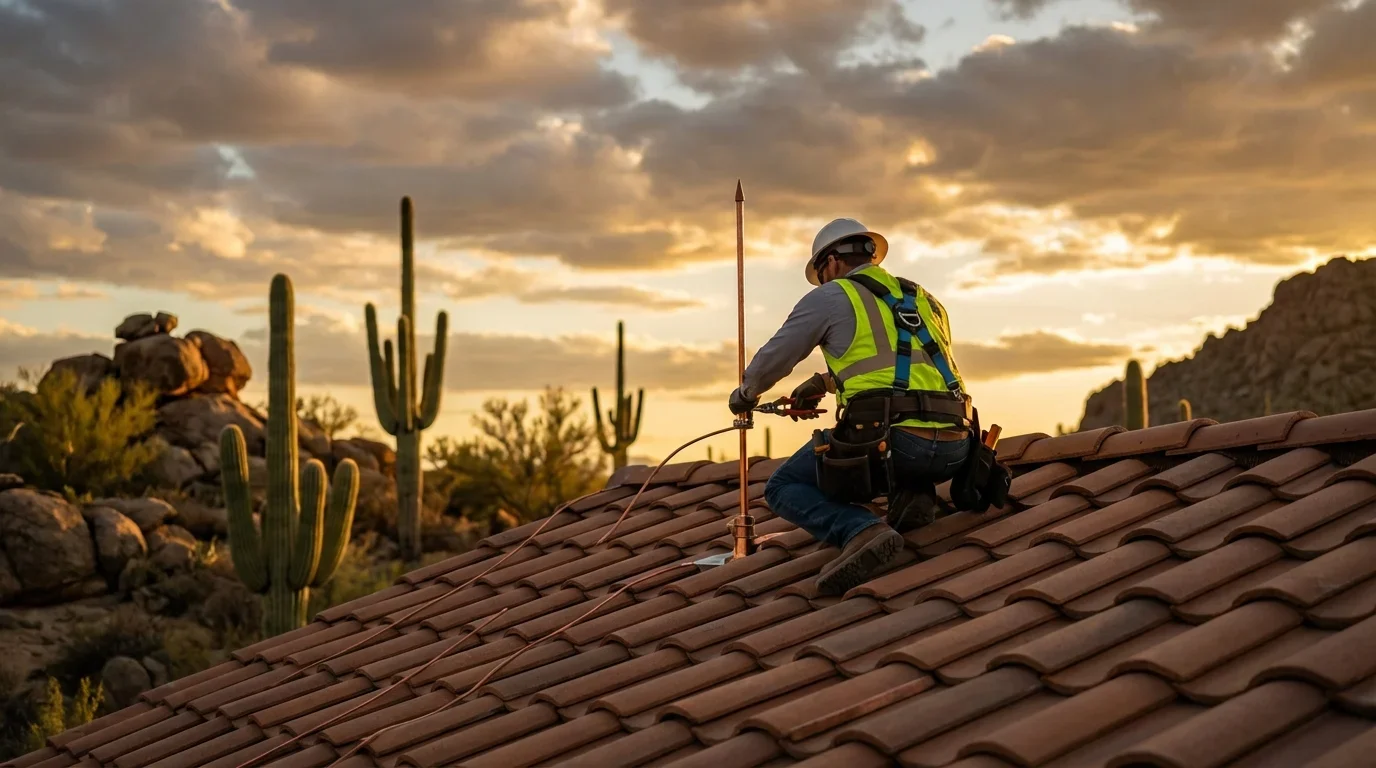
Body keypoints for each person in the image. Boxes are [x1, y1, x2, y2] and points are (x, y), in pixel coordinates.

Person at [729, 218, 973, 595]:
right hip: (955, 448)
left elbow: (775, 357)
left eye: (821, 275)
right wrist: (823, 382)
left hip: (893, 443)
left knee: (783, 485)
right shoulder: (924, 298)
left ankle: (861, 531)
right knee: (900, 443)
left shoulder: (832, 295)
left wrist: (746, 393)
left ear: (831, 262)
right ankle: (913, 497)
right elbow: (906, 363)